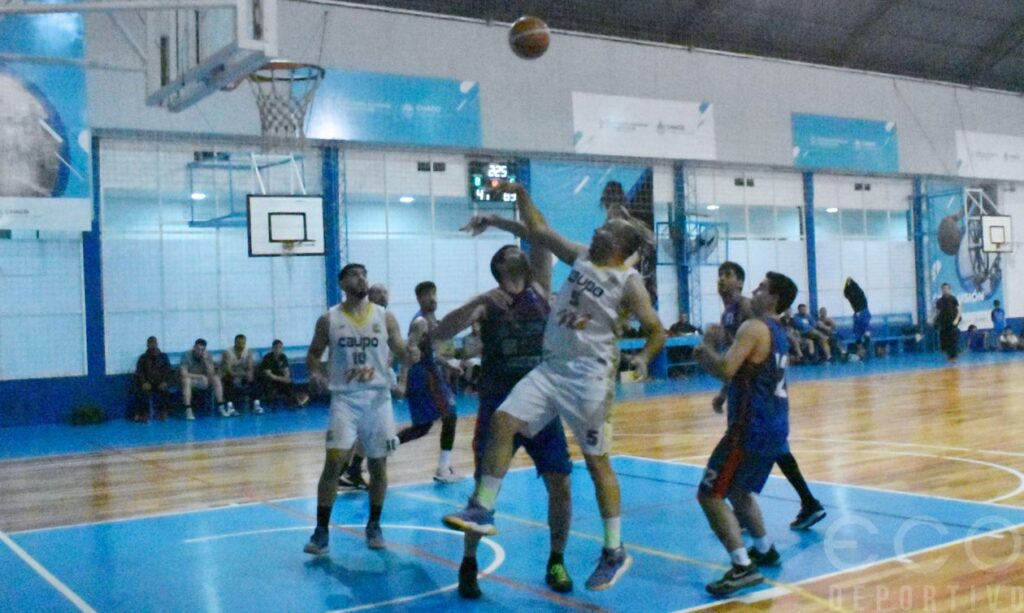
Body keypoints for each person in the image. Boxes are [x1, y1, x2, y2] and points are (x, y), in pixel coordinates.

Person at [444, 185, 666, 592]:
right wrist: (518, 191)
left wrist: (644, 358)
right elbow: (539, 229)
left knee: (598, 464)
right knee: (503, 420)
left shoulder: (628, 281)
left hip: (589, 379)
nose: (597, 231)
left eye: (606, 230)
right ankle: (483, 508)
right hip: (551, 369)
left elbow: (656, 329)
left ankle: (613, 550)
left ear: (619, 245)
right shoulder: (581, 257)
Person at [432, 238, 574, 598]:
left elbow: (541, 238)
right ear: (499, 267)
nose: (520, 252)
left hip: (541, 408)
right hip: (499, 408)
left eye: (522, 250)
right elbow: (441, 333)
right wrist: (476, 302)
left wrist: (514, 221)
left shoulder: (539, 289)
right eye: (512, 252)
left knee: (561, 484)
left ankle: (557, 560)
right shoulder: (489, 302)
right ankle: (468, 563)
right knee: (484, 490)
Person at [694, 271, 799, 597]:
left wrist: (705, 349)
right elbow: (749, 372)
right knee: (740, 491)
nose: (755, 290)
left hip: (749, 427)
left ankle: (743, 566)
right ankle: (764, 549)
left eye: (762, 288)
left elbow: (725, 367)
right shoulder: (779, 332)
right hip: (775, 426)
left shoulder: (753, 327)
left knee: (709, 494)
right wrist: (726, 393)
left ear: (774, 299)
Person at [303, 263, 410, 555]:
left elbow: (402, 351)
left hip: (378, 398)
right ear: (342, 283)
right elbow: (313, 354)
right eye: (354, 274)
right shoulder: (329, 319)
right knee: (333, 463)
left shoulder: (385, 317)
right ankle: (321, 531)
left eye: (364, 273)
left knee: (378, 464)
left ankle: (374, 524)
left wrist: (409, 361)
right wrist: (315, 373)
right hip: (345, 398)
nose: (361, 278)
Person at [712, 263, 825, 531]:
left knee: (757, 449)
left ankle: (749, 515)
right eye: (720, 275)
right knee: (776, 449)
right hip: (755, 394)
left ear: (740, 282)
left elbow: (754, 350)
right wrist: (724, 391)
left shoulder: (748, 310)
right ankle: (808, 503)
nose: (721, 280)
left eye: (727, 275)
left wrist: (710, 358)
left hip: (757, 395)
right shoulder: (728, 313)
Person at [398, 281, 464, 483]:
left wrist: (448, 364)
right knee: (450, 416)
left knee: (422, 427)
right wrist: (402, 380)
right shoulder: (421, 322)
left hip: (430, 374)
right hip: (425, 377)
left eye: (434, 294)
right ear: (419, 299)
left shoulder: (433, 320)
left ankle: (385, 445)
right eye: (427, 295)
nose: (432, 298)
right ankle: (443, 469)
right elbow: (409, 351)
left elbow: (431, 352)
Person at [340, 282, 393, 490]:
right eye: (378, 292)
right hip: (361, 382)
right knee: (363, 431)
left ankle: (350, 470)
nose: (383, 295)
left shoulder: (387, 318)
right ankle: (347, 470)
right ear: (369, 296)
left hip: (378, 381)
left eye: (385, 292)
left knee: (368, 432)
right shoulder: (360, 319)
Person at [179, 338, 227, 420]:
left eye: (202, 350)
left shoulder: (207, 355)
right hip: (192, 380)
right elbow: (184, 373)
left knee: (216, 379)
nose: (200, 352)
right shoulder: (186, 355)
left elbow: (211, 374)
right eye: (198, 349)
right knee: (186, 381)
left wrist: (205, 361)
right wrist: (200, 376)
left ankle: (221, 406)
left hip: (205, 380)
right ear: (194, 347)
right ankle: (188, 409)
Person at [131, 336, 173, 422]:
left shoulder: (164, 357)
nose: (153, 345)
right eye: (150, 343)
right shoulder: (142, 358)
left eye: (154, 343)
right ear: (147, 345)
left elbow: (168, 371)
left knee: (165, 391)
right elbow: (140, 372)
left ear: (157, 344)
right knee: (141, 392)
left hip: (160, 382)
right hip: (147, 383)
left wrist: (165, 382)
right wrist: (144, 382)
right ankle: (144, 414)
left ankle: (163, 412)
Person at [258, 340, 309, 409]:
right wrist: (283, 379)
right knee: (270, 384)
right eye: (276, 348)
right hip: (269, 380)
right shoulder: (267, 358)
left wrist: (286, 378)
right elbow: (270, 375)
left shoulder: (283, 357)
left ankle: (293, 402)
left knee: (289, 384)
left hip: (280, 379)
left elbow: (286, 371)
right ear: (273, 348)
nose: (278, 350)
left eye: (280, 348)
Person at [220, 334, 257, 414]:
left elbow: (250, 367)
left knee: (253, 379)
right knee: (229, 380)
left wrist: (247, 374)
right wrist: (237, 376)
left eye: (243, 343)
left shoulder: (248, 351)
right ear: (235, 343)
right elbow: (228, 369)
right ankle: (230, 407)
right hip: (228, 374)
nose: (241, 345)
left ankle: (255, 404)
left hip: (242, 374)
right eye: (239, 343)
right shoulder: (228, 352)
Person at [844, 278, 871, 359]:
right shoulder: (852, 294)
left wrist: (848, 283)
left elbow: (846, 292)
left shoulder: (857, 294)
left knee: (866, 334)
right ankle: (860, 353)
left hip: (862, 313)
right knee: (858, 336)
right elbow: (846, 293)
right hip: (858, 314)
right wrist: (849, 282)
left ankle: (863, 352)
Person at [935, 283, 961, 362]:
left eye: (947, 289)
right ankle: (948, 354)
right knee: (945, 340)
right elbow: (937, 312)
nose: (945, 290)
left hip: (952, 322)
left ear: (949, 289)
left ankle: (953, 356)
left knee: (952, 338)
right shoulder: (939, 301)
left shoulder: (953, 299)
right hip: (943, 322)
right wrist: (933, 319)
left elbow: (959, 310)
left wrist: (956, 319)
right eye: (944, 289)